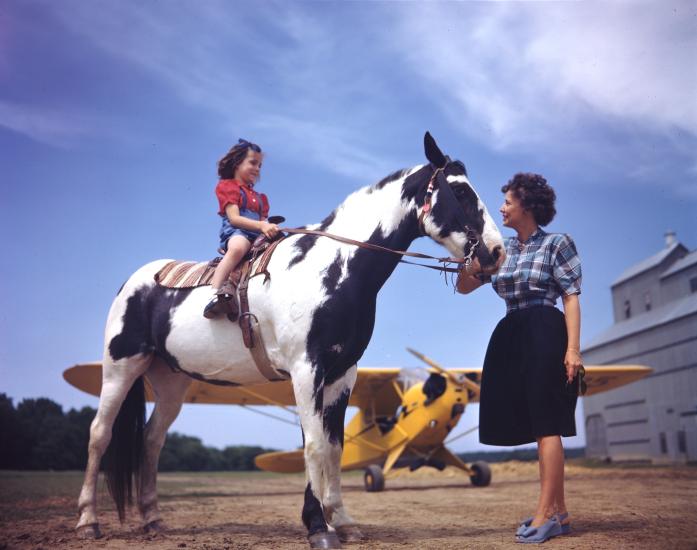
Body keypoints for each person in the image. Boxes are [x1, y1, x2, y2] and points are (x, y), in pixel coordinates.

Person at [456, 173, 583, 544]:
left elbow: (571, 296)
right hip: (512, 334)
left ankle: (545, 515)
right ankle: (558, 513)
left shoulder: (558, 244)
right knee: (535, 424)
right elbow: (464, 288)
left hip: (545, 329)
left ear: (526, 206)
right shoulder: (502, 250)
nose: (501, 208)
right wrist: (471, 262)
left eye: (508, 202)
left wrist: (572, 349)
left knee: (548, 423)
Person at [203, 139, 279, 319]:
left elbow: (263, 221)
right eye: (253, 163)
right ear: (237, 163)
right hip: (237, 231)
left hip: (257, 235)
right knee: (238, 248)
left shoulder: (261, 198)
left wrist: (269, 228)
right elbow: (234, 218)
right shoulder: (228, 187)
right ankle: (214, 292)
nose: (257, 168)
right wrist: (261, 225)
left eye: (260, 165)